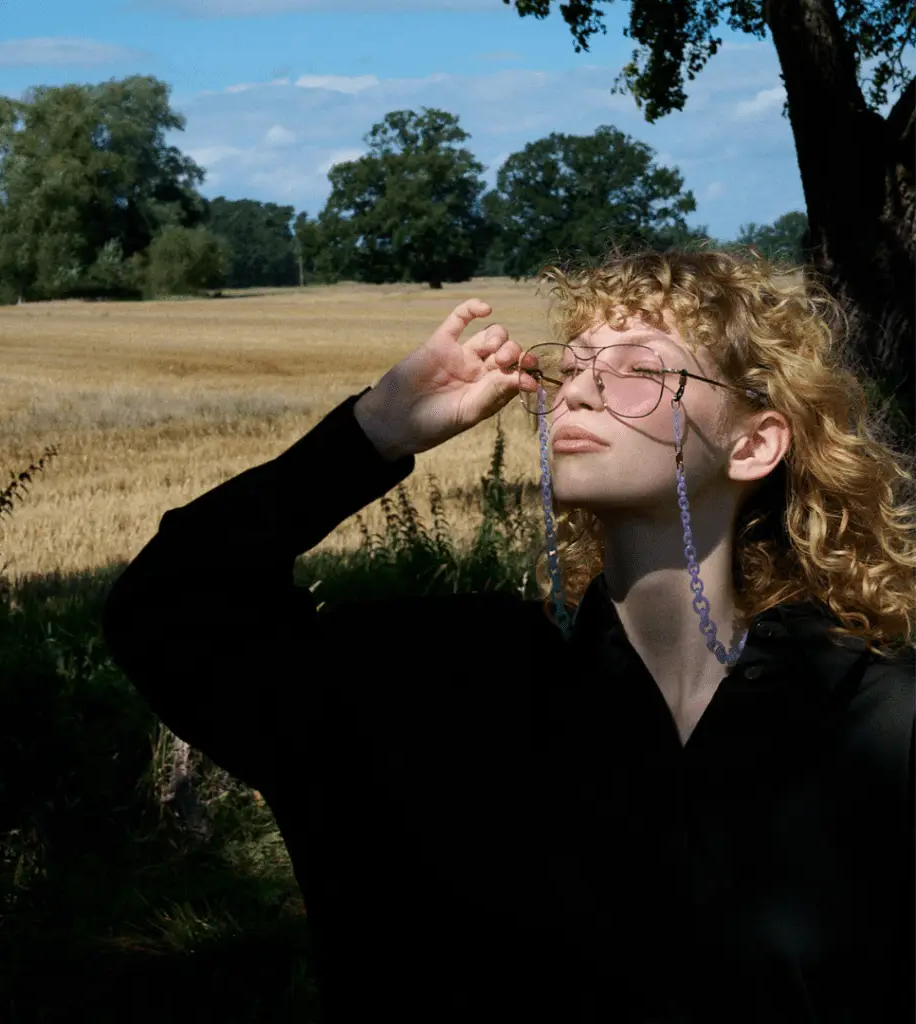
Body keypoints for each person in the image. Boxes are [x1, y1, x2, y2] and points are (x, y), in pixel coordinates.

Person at [101, 246, 915, 1023]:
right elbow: (167, 614)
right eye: (576, 367)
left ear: (754, 443)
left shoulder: (871, 716)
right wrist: (373, 431)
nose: (582, 392)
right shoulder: (439, 691)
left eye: (639, 369)